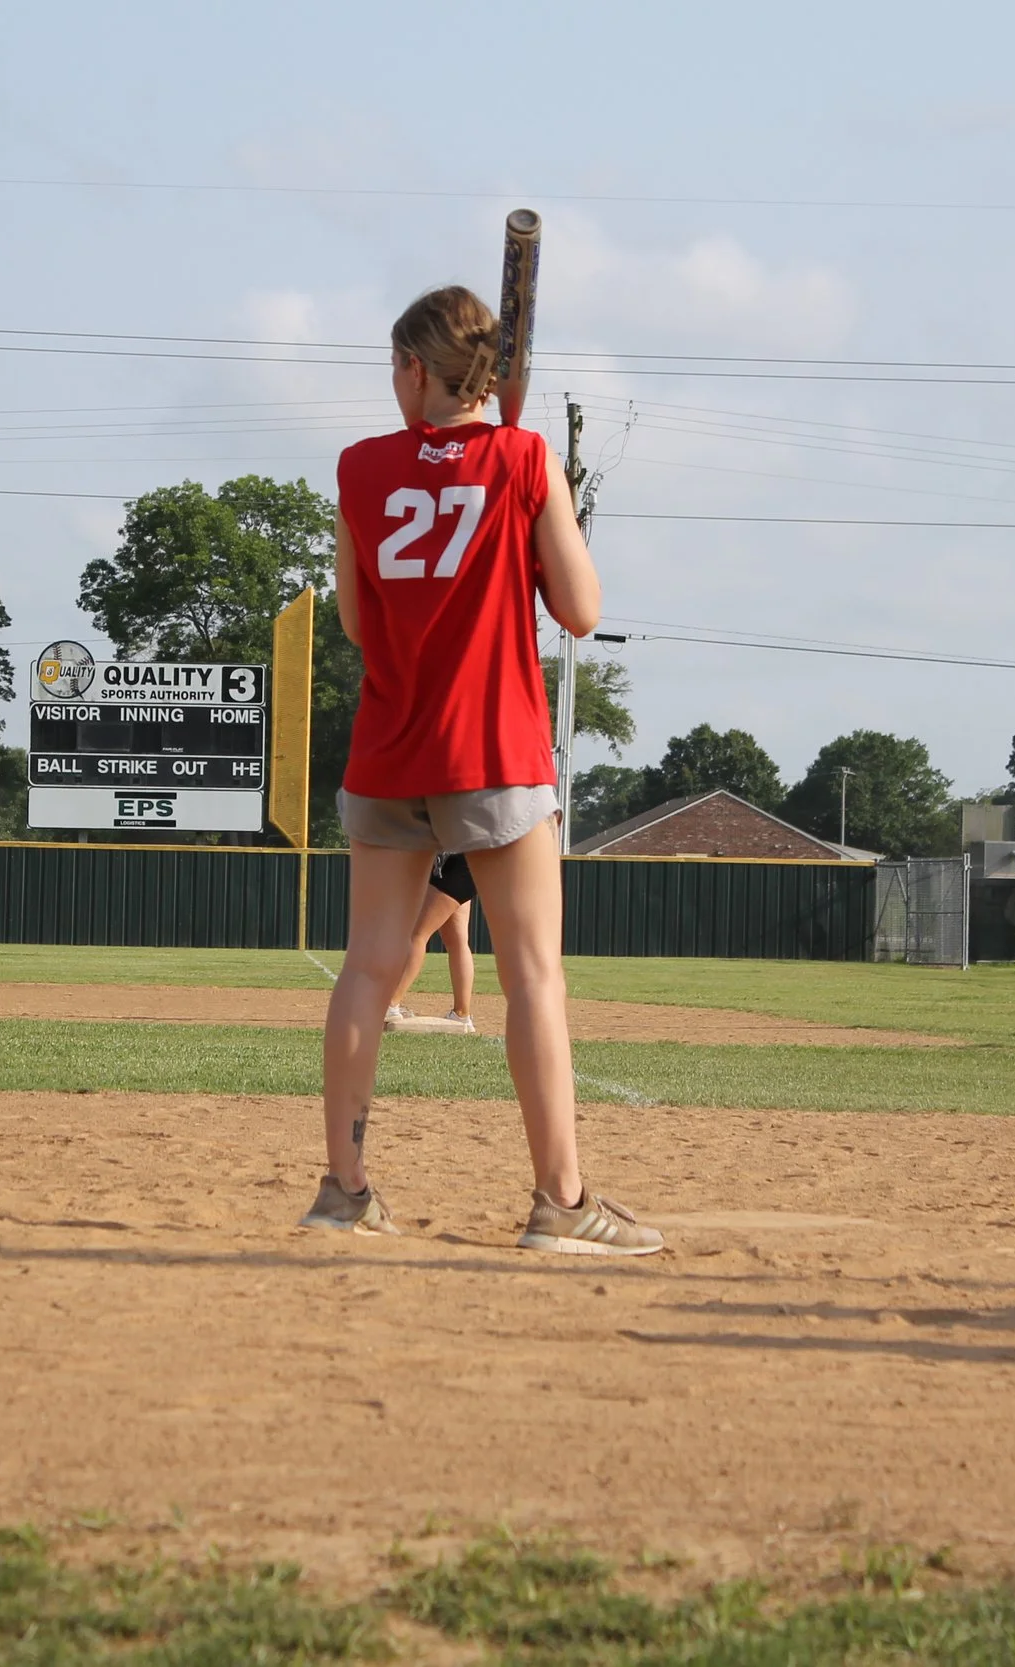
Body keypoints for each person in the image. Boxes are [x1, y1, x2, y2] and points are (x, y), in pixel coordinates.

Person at [302, 284, 661, 1255]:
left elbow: (352, 618)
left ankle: (344, 1187)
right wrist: (542, 500)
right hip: (494, 747)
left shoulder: (360, 469)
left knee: (368, 968)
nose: (390, 382)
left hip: (387, 746)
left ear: (419, 371)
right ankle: (561, 1201)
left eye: (393, 365)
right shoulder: (523, 457)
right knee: (533, 975)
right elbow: (579, 610)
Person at [383, 852, 477, 1033]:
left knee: (417, 934)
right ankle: (461, 1014)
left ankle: (390, 1004)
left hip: (457, 862)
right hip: (466, 861)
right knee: (457, 942)